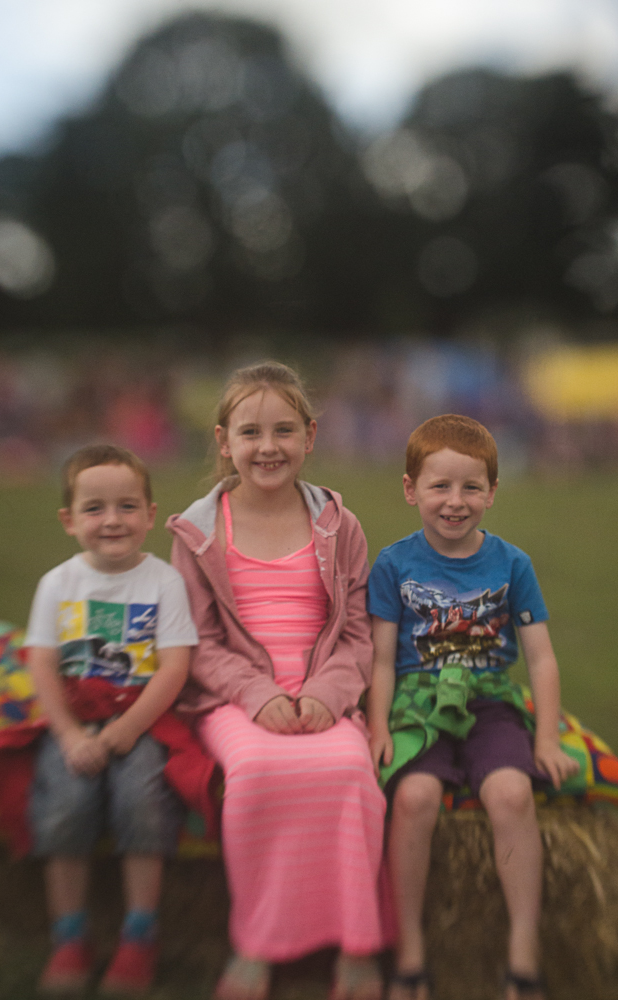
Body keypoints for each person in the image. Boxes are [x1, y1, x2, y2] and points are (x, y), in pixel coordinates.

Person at [167, 362, 387, 1000]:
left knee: (349, 772)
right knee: (259, 772)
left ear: (311, 436)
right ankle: (258, 941)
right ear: (223, 441)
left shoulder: (338, 527)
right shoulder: (199, 532)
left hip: (324, 691)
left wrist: (327, 694)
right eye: (251, 432)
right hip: (237, 698)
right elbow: (197, 641)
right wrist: (257, 695)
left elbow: (356, 635)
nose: (268, 447)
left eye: (284, 430)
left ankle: (357, 943)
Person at [366, 414, 580, 1000]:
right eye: (440, 486)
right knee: (414, 797)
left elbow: (541, 660)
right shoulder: (393, 566)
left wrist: (545, 738)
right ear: (411, 490)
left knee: (511, 793)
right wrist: (378, 726)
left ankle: (523, 945)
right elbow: (381, 660)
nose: (455, 502)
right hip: (418, 704)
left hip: (489, 702)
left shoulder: (512, 565)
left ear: (491, 492)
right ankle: (409, 947)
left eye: (471, 487)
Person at [25, 444, 199, 995]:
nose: (112, 520)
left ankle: (139, 933)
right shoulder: (58, 583)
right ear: (69, 521)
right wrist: (70, 735)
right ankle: (70, 935)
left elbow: (174, 667)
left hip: (140, 719)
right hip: (75, 719)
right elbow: (42, 663)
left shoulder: (164, 582)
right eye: (94, 508)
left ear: (150, 515)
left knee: (142, 798)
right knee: (66, 801)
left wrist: (128, 730)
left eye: (127, 506)